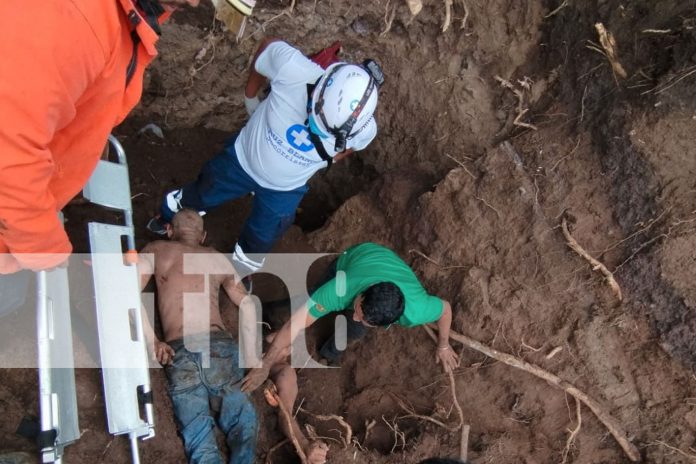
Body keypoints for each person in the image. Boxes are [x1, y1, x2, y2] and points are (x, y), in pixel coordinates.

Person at [0, 0, 200, 316]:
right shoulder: (75, 18)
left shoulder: (121, 20)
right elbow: (8, 156)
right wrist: (45, 249)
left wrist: (85, 146)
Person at [149, 38, 382, 279]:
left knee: (263, 235)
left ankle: (240, 270)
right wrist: (250, 96)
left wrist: (331, 159)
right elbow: (266, 50)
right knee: (204, 190)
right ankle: (168, 215)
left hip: (284, 189)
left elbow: (354, 146)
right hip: (242, 159)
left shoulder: (365, 128)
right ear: (319, 90)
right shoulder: (294, 70)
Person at [139, 209, 326, 463]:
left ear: (170, 231)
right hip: (220, 349)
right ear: (203, 236)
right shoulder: (216, 258)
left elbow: (128, 292)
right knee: (242, 424)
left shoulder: (157, 249)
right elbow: (248, 305)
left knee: (197, 433)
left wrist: (153, 341)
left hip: (178, 352)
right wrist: (250, 356)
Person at [240, 242, 460, 392]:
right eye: (357, 309)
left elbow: (445, 309)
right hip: (357, 259)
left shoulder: (417, 311)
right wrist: (266, 364)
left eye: (364, 318)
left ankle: (327, 355)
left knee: (353, 330)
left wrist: (443, 345)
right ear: (363, 293)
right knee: (302, 303)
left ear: (389, 323)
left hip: (390, 269)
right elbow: (295, 324)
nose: (355, 316)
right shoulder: (340, 288)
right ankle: (267, 311)